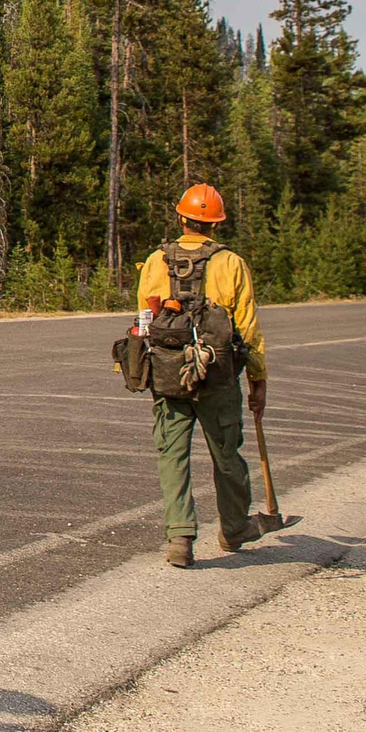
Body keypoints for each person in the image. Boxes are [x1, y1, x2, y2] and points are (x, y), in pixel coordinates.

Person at [138, 183, 269, 568]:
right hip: (218, 376)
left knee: (172, 455)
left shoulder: (155, 261)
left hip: (168, 374)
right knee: (227, 453)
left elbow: (146, 320)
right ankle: (234, 527)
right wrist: (257, 381)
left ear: (181, 218)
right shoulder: (231, 263)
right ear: (216, 224)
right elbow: (248, 329)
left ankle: (180, 538)